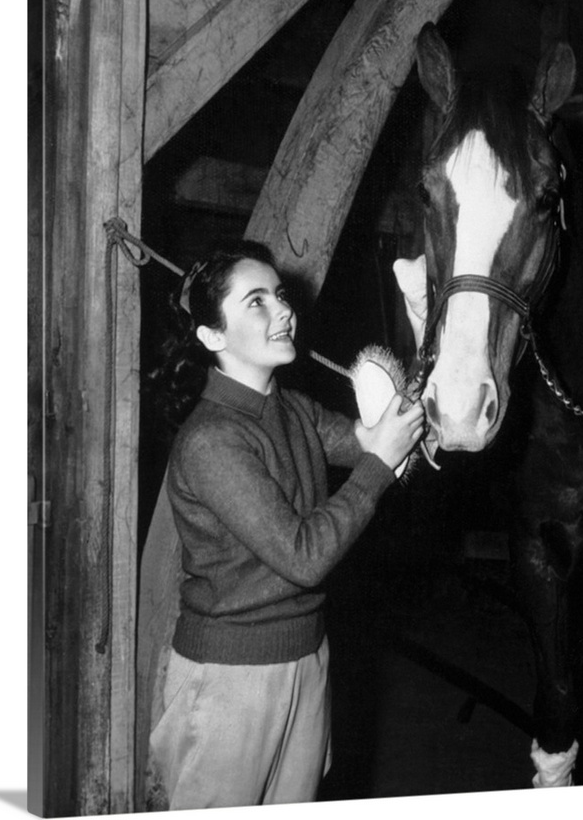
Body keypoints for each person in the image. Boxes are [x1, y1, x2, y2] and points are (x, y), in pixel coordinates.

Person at [147, 240, 425, 810]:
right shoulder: (211, 440)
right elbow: (303, 556)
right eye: (257, 302)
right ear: (212, 336)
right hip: (230, 679)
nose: (283, 310)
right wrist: (378, 465)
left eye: (279, 295)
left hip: (306, 659)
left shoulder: (291, 408)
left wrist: (414, 392)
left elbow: (372, 442)